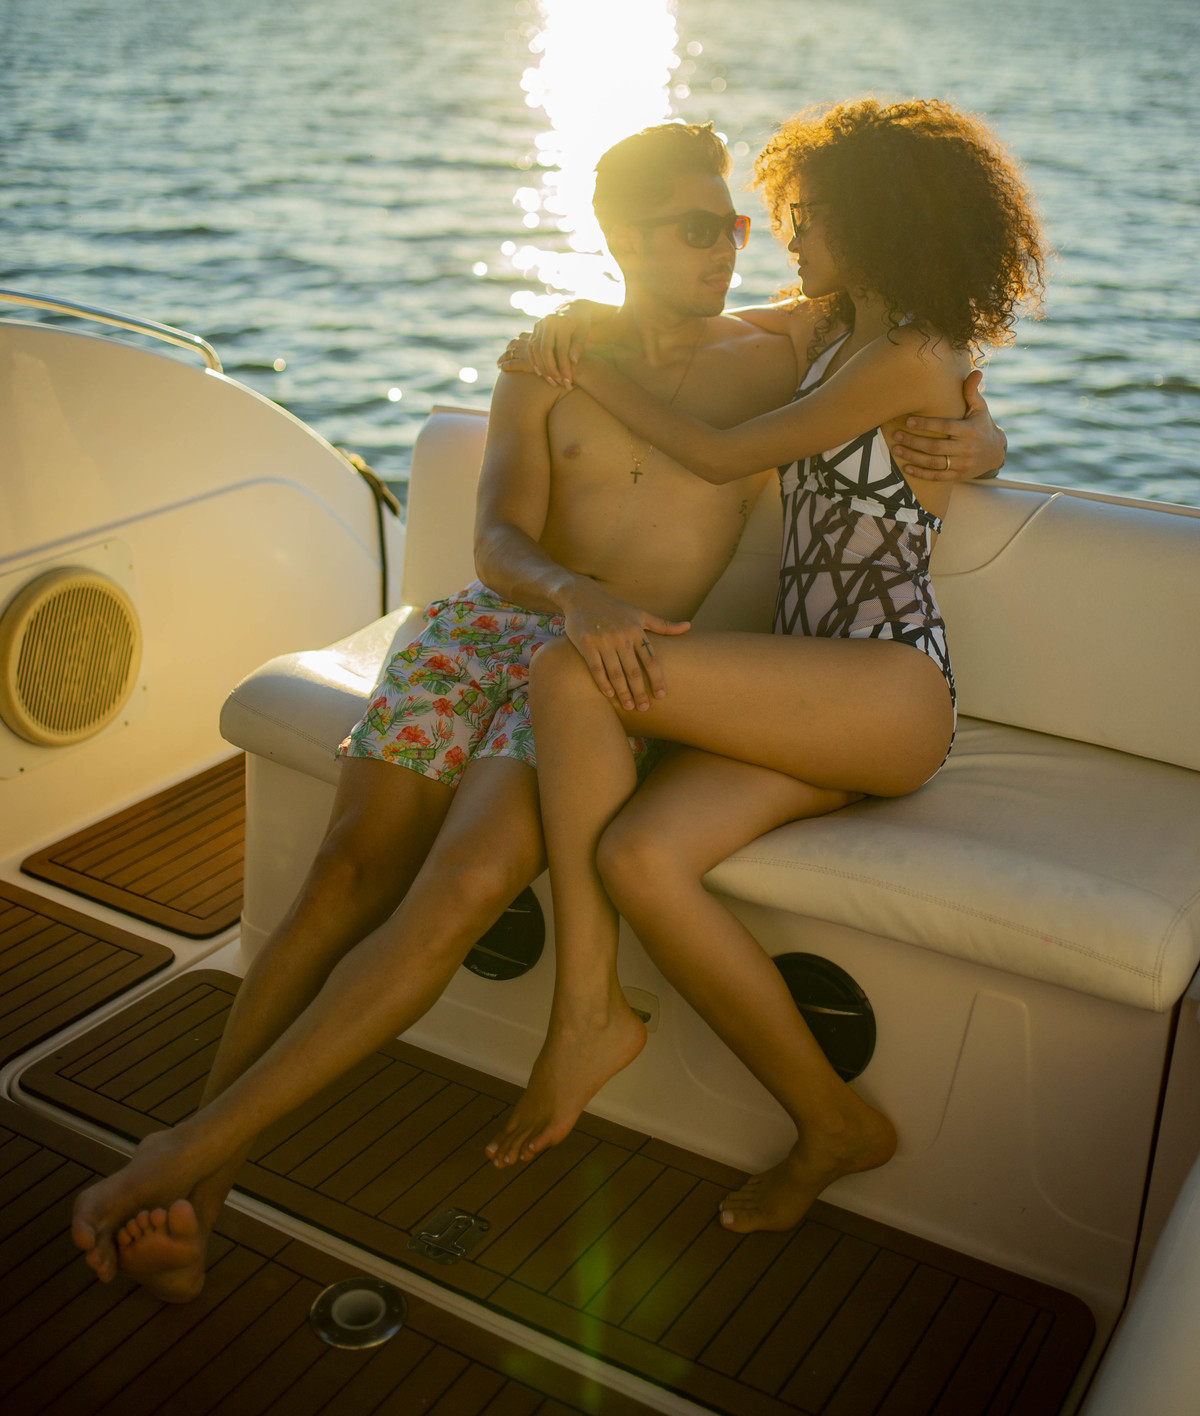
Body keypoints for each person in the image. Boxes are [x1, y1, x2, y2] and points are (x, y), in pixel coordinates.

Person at [70, 119, 1007, 1302]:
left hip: (697, 674)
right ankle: (199, 1182)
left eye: (739, 225)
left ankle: (190, 1163)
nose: (735, 248)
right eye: (696, 229)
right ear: (615, 235)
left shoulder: (788, 341)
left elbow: (922, 359)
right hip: (538, 637)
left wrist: (983, 435)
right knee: (373, 869)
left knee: (463, 879)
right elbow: (500, 535)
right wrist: (572, 589)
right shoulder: (552, 356)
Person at [485, 99, 1045, 1239]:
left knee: (571, 673)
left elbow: (722, 449)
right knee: (642, 856)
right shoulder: (844, 329)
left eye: (807, 215)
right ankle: (833, 1122)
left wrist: (579, 366)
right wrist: (575, 324)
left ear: (873, 218)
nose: (784, 233)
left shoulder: (906, 351)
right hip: (810, 688)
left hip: (889, 689)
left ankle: (582, 1016)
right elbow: (949, 402)